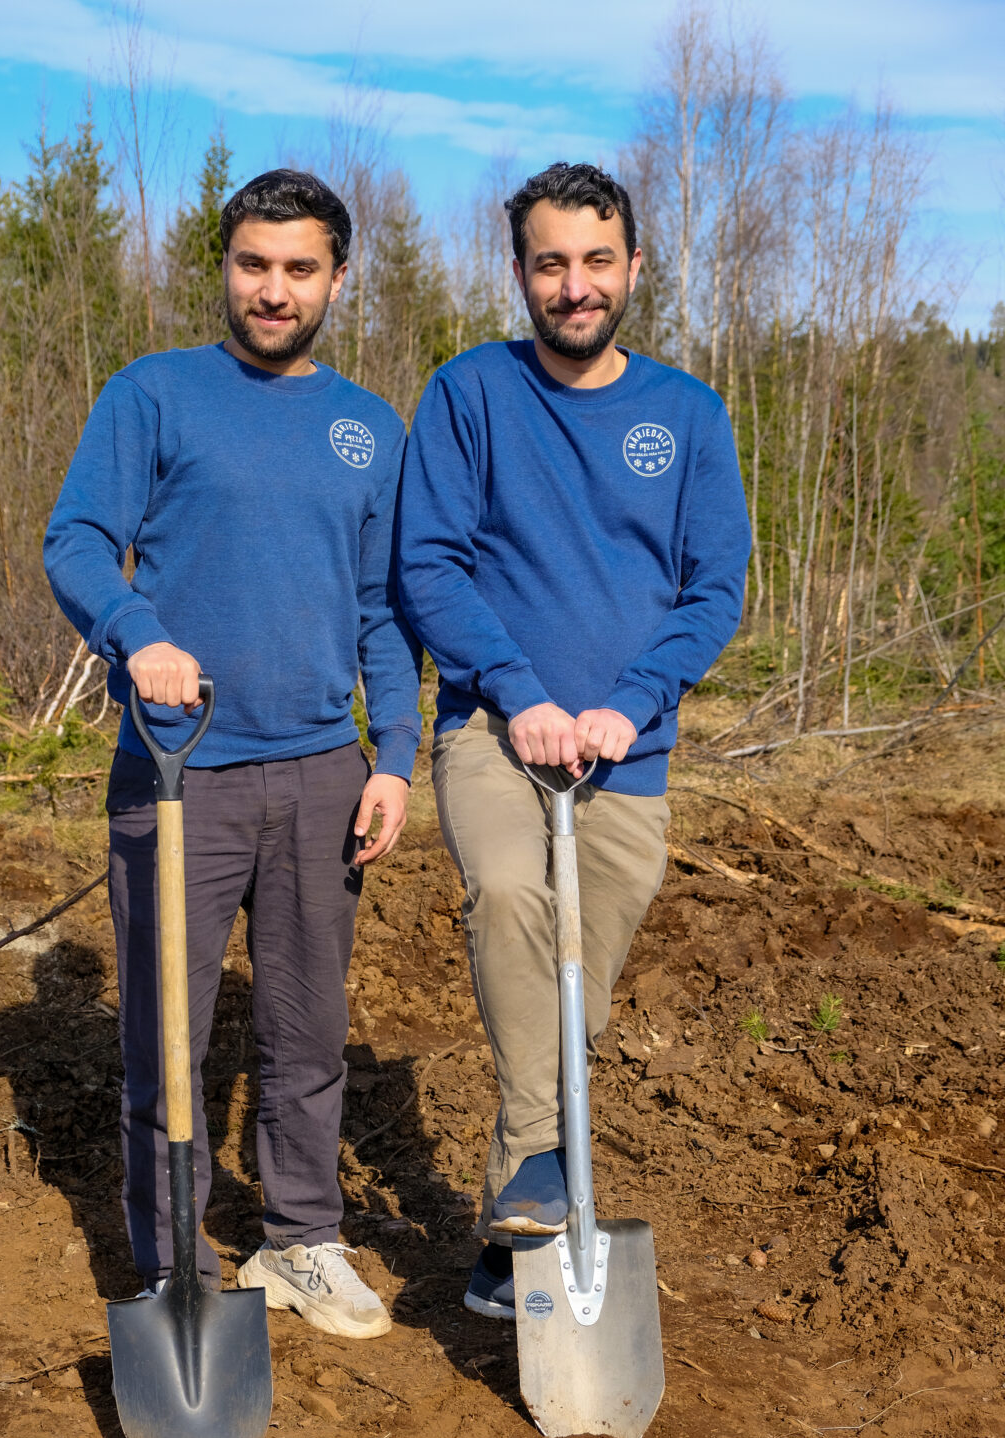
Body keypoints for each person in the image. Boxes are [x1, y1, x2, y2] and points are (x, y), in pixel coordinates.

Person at [44, 169, 421, 1340]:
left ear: (335, 279)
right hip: (178, 771)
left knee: (306, 1031)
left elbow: (382, 610)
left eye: (298, 268)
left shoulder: (368, 428)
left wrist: (394, 755)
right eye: (253, 264)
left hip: (321, 773)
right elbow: (77, 542)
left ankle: (301, 1241)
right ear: (224, 266)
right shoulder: (152, 397)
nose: (273, 289)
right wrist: (139, 635)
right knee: (166, 1037)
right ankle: (169, 1271)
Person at [396, 162, 751, 1321]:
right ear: (520, 273)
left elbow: (712, 589)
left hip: (625, 753)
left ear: (633, 267)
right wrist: (519, 692)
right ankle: (548, 1163)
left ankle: (516, 1227)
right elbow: (426, 566)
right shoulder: (469, 394)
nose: (574, 283)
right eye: (549, 261)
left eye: (596, 260)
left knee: (569, 1005)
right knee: (509, 899)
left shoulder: (688, 414)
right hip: (497, 737)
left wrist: (630, 700)